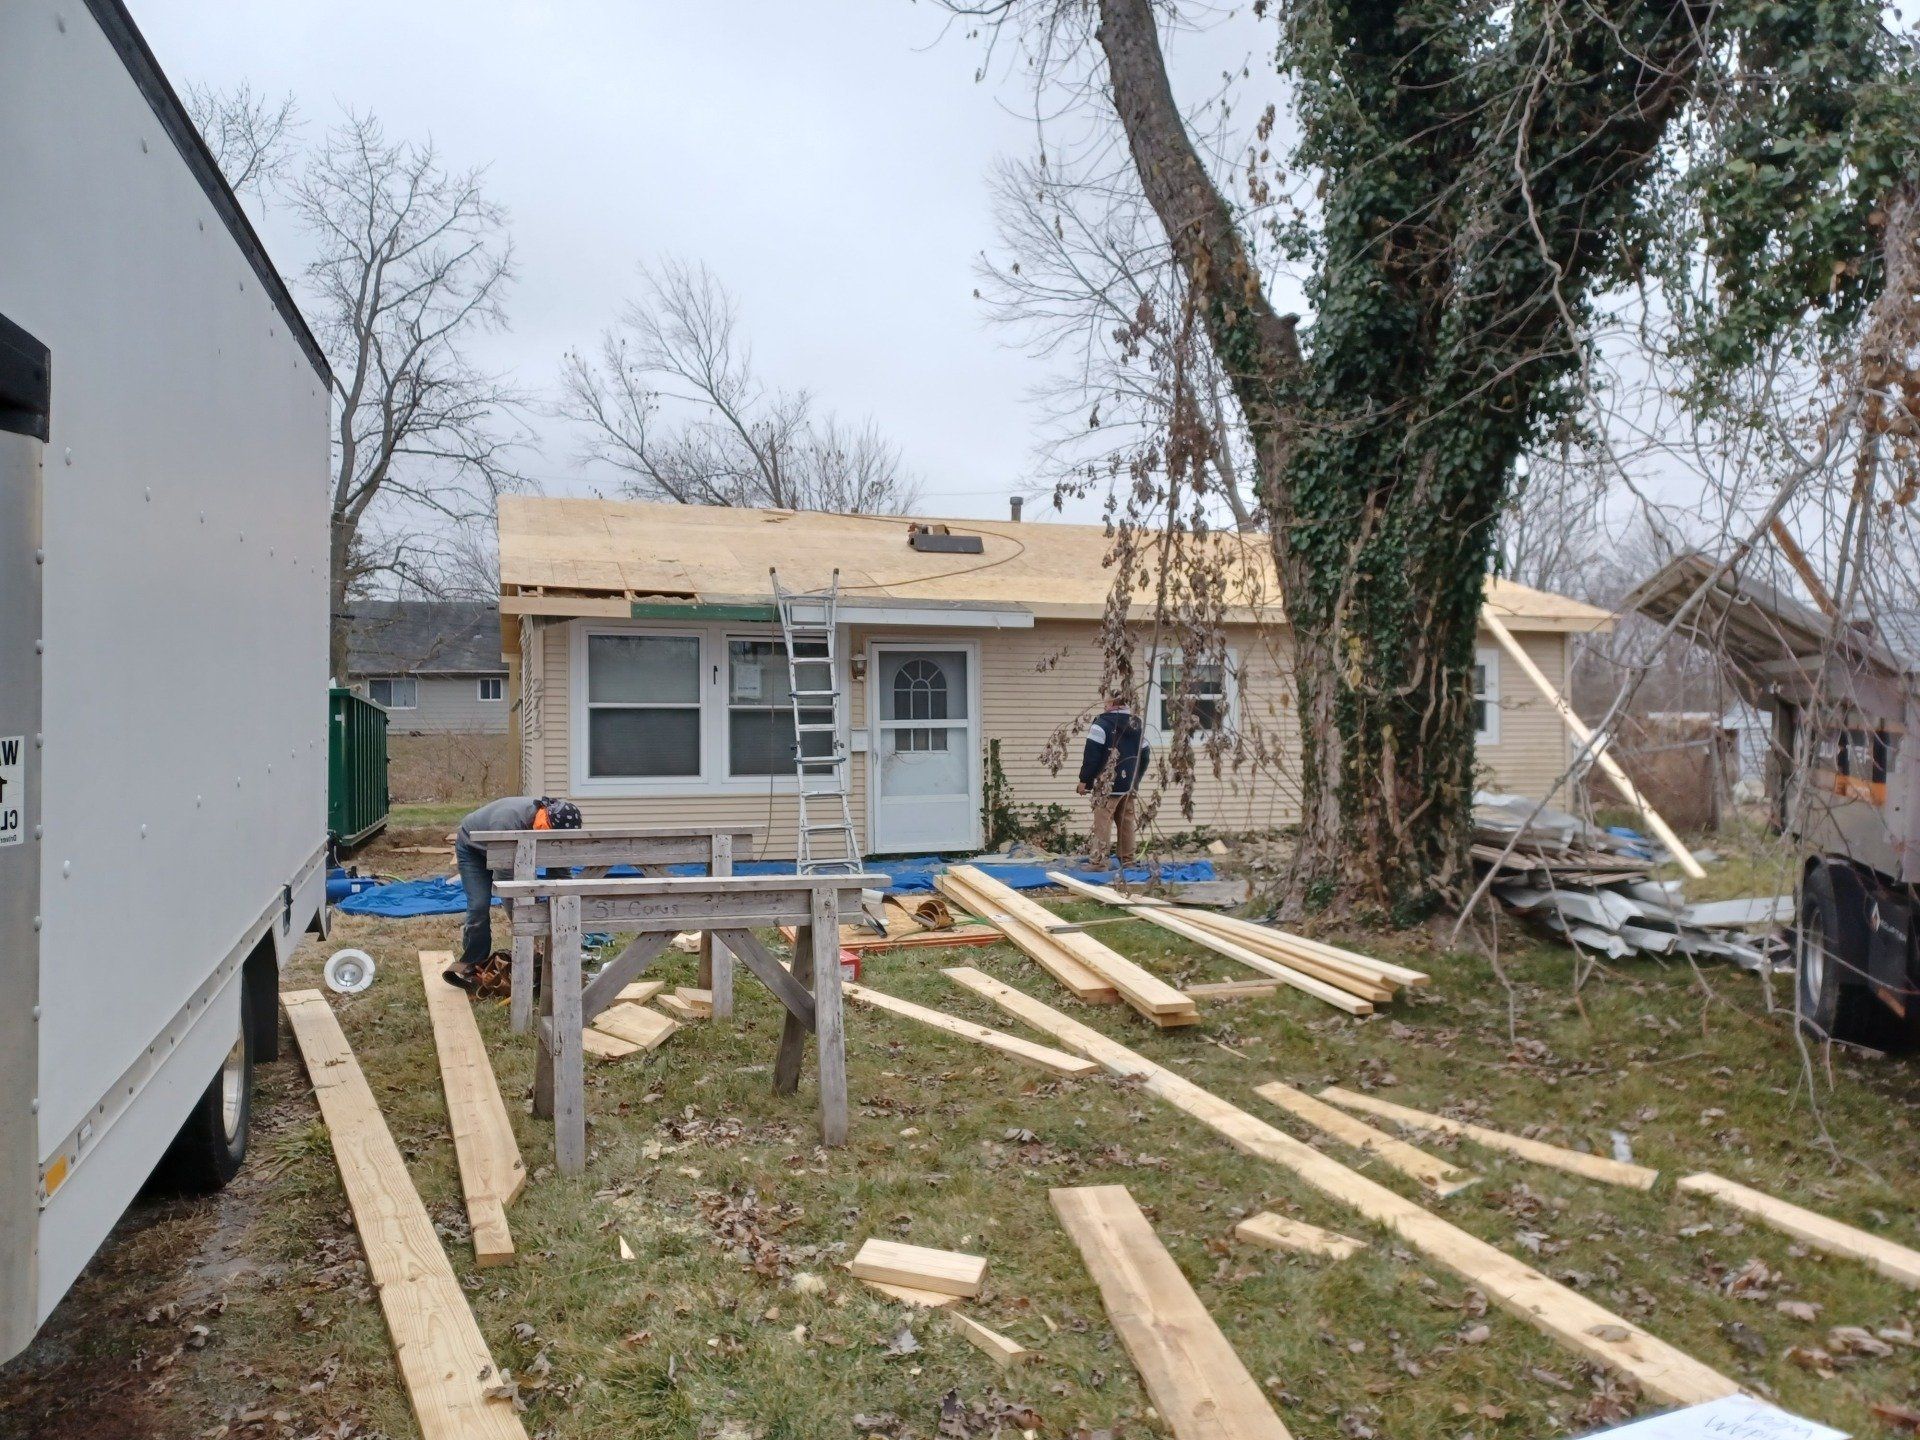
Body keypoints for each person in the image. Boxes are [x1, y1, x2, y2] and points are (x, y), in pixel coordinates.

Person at [445, 795, 583, 990]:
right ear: (545, 816)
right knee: (478, 906)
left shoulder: (548, 827)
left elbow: (561, 875)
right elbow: (510, 887)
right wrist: (527, 928)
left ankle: (551, 959)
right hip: (473, 849)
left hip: (508, 846)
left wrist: (568, 918)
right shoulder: (507, 821)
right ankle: (473, 963)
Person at [1077, 687, 1149, 871]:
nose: (1104, 703)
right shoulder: (1137, 724)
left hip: (1107, 785)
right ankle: (1128, 860)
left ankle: (1099, 862)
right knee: (1126, 821)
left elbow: (1092, 756)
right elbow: (1145, 754)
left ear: (1111, 704)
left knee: (1103, 822)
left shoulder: (1101, 724)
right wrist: (1135, 779)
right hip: (1128, 785)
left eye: (1106, 700)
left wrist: (1085, 780)